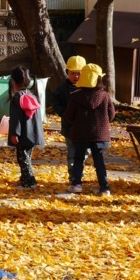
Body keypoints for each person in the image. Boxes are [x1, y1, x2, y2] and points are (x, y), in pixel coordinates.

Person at [63, 63, 114, 196]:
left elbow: (69, 116)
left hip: (80, 134)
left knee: (78, 159)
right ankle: (104, 188)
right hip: (99, 134)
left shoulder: (75, 96)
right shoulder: (105, 96)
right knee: (99, 161)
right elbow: (111, 115)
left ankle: (76, 184)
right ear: (99, 79)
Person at [52, 56, 90, 184]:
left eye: (79, 73)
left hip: (85, 128)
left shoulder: (87, 87)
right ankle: (74, 176)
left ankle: (78, 171)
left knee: (86, 151)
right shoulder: (62, 89)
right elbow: (56, 103)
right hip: (69, 127)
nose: (76, 76)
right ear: (67, 72)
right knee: (72, 154)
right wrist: (63, 113)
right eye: (73, 73)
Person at [6, 66, 44, 188]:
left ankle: (29, 182)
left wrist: (14, 133)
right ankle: (24, 179)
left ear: (13, 82)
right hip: (33, 133)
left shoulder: (17, 97)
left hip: (22, 134)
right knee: (27, 157)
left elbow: (16, 118)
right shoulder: (33, 95)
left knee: (23, 159)